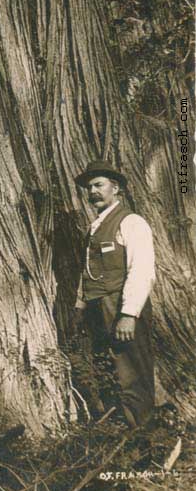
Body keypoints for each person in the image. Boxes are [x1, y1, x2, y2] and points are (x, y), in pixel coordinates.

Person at [73, 159, 156, 428]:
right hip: (98, 308)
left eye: (99, 185)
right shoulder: (95, 228)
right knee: (106, 370)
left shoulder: (131, 222)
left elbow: (142, 270)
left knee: (132, 373)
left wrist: (129, 314)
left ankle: (145, 439)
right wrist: (80, 306)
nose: (92, 192)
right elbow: (88, 271)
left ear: (116, 188)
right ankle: (118, 435)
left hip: (120, 306)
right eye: (89, 187)